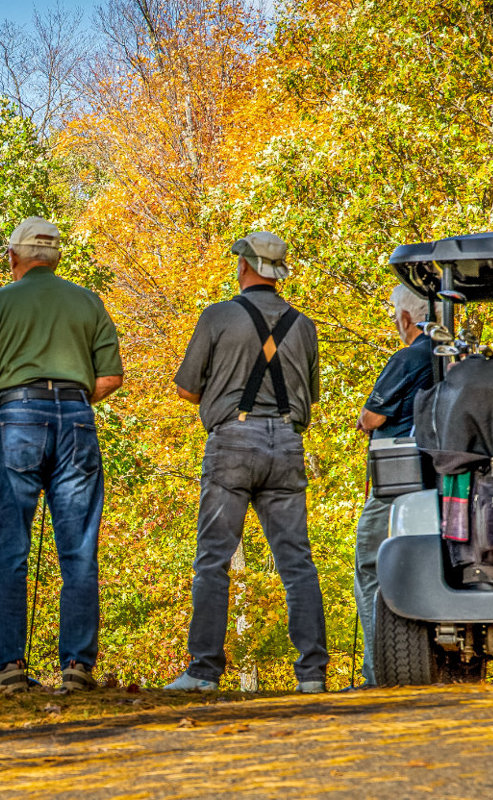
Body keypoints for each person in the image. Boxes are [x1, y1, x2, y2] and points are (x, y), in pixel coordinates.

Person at [0, 216, 124, 693]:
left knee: (10, 549)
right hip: (76, 420)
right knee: (79, 549)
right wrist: (67, 405)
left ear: (14, 257)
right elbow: (110, 377)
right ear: (56, 258)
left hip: (17, 419)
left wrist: (8, 404)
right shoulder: (87, 302)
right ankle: (76, 668)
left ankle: (7, 667)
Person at [166, 231, 328, 693]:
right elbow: (310, 395)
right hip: (287, 444)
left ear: (242, 266)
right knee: (296, 561)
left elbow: (185, 388)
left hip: (233, 441)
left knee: (213, 559)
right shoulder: (305, 325)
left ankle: (203, 672)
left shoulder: (218, 317)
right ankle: (312, 673)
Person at [353, 286, 435, 687]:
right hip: (435, 481)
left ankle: (377, 671)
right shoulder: (451, 359)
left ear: (406, 318)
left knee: (371, 565)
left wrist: (365, 418)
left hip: (396, 478)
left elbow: (372, 417)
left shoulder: (409, 357)